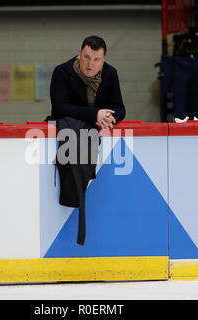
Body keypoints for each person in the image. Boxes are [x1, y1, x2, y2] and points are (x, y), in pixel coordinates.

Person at [47, 35, 126, 245]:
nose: (90, 64)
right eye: (86, 57)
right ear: (79, 54)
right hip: (70, 127)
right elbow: (60, 107)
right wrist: (95, 115)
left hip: (93, 127)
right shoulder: (62, 72)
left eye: (96, 60)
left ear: (104, 59)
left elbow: (120, 108)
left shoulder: (110, 73)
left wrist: (108, 117)